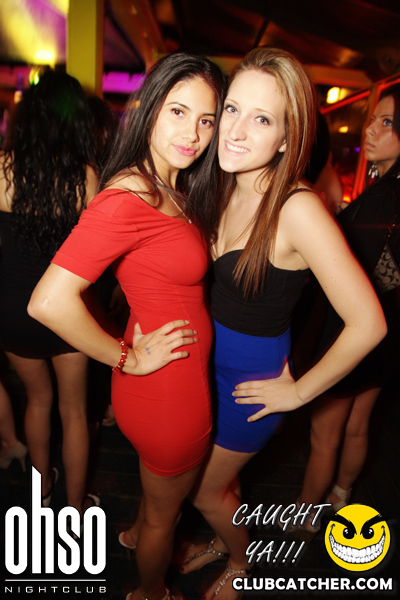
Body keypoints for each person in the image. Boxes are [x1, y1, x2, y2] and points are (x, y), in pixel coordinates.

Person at [177, 47, 386, 600]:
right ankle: (224, 538)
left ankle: (241, 561)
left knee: (202, 489)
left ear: (289, 139)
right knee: (217, 481)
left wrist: (298, 393)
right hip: (206, 369)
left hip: (250, 388)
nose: (235, 131)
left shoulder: (297, 209)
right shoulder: (224, 181)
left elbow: (369, 323)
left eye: (262, 119)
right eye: (232, 109)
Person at [28, 52, 225, 600]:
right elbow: (49, 301)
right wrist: (127, 356)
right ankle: (151, 591)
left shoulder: (166, 187)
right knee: (168, 517)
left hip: (166, 383)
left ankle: (140, 535)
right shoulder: (130, 195)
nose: (193, 134)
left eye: (206, 120)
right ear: (150, 108)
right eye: (178, 111)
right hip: (168, 393)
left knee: (158, 505)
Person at [295, 82, 400, 522]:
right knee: (358, 425)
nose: (371, 130)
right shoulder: (385, 191)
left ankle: (302, 519)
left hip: (352, 334)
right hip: (387, 334)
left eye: (387, 122)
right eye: (373, 118)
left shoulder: (385, 200)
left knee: (325, 434)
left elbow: (369, 272)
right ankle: (340, 495)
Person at [0, 68, 98, 512]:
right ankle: (75, 507)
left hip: (14, 308)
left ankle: (41, 494)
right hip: (67, 312)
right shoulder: (87, 177)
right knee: (74, 412)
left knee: (37, 401)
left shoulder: (2, 167)